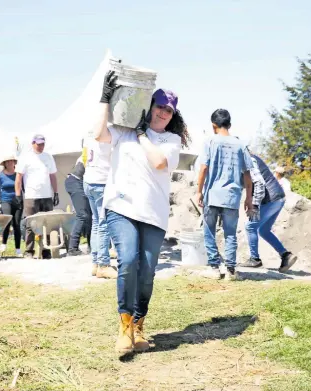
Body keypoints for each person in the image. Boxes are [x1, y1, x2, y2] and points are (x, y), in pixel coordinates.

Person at [94, 70, 190, 354]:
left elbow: (159, 163)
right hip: (121, 207)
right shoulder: (123, 131)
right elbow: (99, 134)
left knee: (147, 272)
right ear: (149, 106)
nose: (163, 113)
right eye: (159, 106)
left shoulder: (171, 141)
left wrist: (142, 136)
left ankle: (138, 325)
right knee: (127, 260)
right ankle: (124, 329)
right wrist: (104, 98)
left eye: (169, 110)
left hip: (154, 214)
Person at [196, 109, 254, 280]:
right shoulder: (241, 144)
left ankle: (214, 268)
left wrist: (198, 191)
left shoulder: (210, 142)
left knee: (209, 231)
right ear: (229, 124)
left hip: (212, 194)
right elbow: (247, 175)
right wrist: (248, 198)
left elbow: (204, 168)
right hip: (232, 196)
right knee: (230, 233)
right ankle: (230, 270)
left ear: (214, 125)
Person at [239, 153, 298, 272]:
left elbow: (259, 184)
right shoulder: (248, 159)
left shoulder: (248, 160)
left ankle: (255, 259)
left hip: (271, 199)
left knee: (250, 226)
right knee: (264, 230)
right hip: (277, 198)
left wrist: (254, 206)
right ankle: (285, 255)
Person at [15, 134, 59, 259]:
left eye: (43, 144)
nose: (41, 146)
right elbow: (18, 178)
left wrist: (55, 192)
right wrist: (18, 195)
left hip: (46, 195)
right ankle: (29, 251)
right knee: (30, 224)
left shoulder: (48, 157)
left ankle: (46, 250)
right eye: (38, 144)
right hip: (31, 195)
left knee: (48, 223)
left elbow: (53, 176)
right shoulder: (25, 157)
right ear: (33, 143)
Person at [83, 138, 117, 278]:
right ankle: (103, 264)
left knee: (96, 223)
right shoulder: (109, 136)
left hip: (89, 180)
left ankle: (96, 263)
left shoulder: (89, 135)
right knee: (103, 224)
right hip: (101, 182)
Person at [65, 150, 92, 257]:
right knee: (82, 215)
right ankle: (73, 248)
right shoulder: (91, 152)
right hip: (76, 182)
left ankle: (92, 246)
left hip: (78, 181)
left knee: (90, 215)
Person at [0, 155, 23, 257]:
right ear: (4, 164)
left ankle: (18, 249)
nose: (9, 163)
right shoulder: (0, 175)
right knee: (7, 220)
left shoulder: (19, 174)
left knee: (17, 224)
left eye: (11, 161)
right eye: (7, 161)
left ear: (14, 162)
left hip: (17, 200)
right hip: (5, 200)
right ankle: (3, 244)